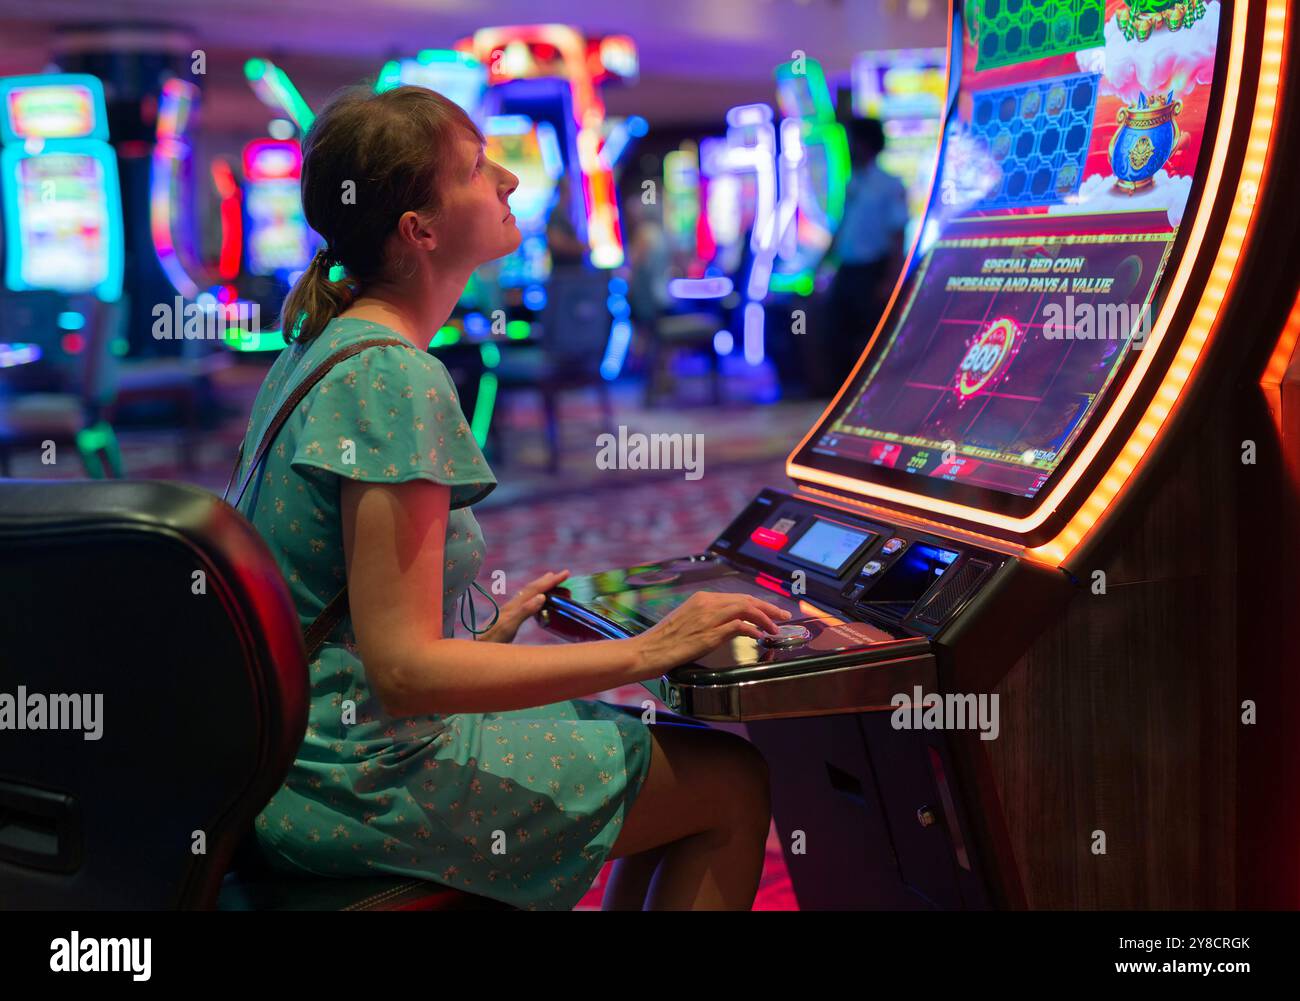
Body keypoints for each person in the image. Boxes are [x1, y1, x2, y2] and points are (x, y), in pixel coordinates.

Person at [231, 85, 789, 911]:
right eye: (474, 168)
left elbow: (358, 622)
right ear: (419, 231)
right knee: (728, 780)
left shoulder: (325, 346)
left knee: (669, 754)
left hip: (298, 751)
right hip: (352, 780)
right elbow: (405, 672)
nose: (510, 180)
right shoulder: (394, 377)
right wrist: (650, 650)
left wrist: (487, 641)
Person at [821, 117, 910, 382]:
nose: (848, 147)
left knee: (870, 336)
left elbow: (897, 233)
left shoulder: (889, 184)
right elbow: (843, 226)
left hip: (873, 269)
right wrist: (825, 264)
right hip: (847, 269)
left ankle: (868, 391)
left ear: (866, 143)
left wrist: (891, 279)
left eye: (852, 140)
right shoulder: (853, 182)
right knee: (838, 333)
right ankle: (840, 390)